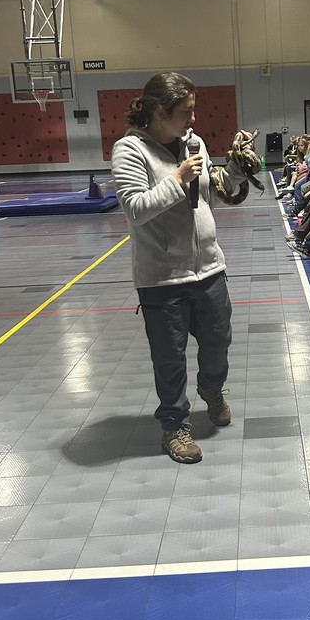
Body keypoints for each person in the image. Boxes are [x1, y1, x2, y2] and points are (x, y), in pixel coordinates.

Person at [112, 71, 255, 464]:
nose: (194, 118)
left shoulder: (195, 143)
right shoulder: (130, 151)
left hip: (209, 269)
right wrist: (177, 177)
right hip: (161, 279)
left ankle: (212, 388)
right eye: (186, 111)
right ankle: (174, 425)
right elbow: (135, 209)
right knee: (170, 359)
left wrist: (236, 170)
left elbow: (212, 195)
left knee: (218, 344)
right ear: (161, 112)